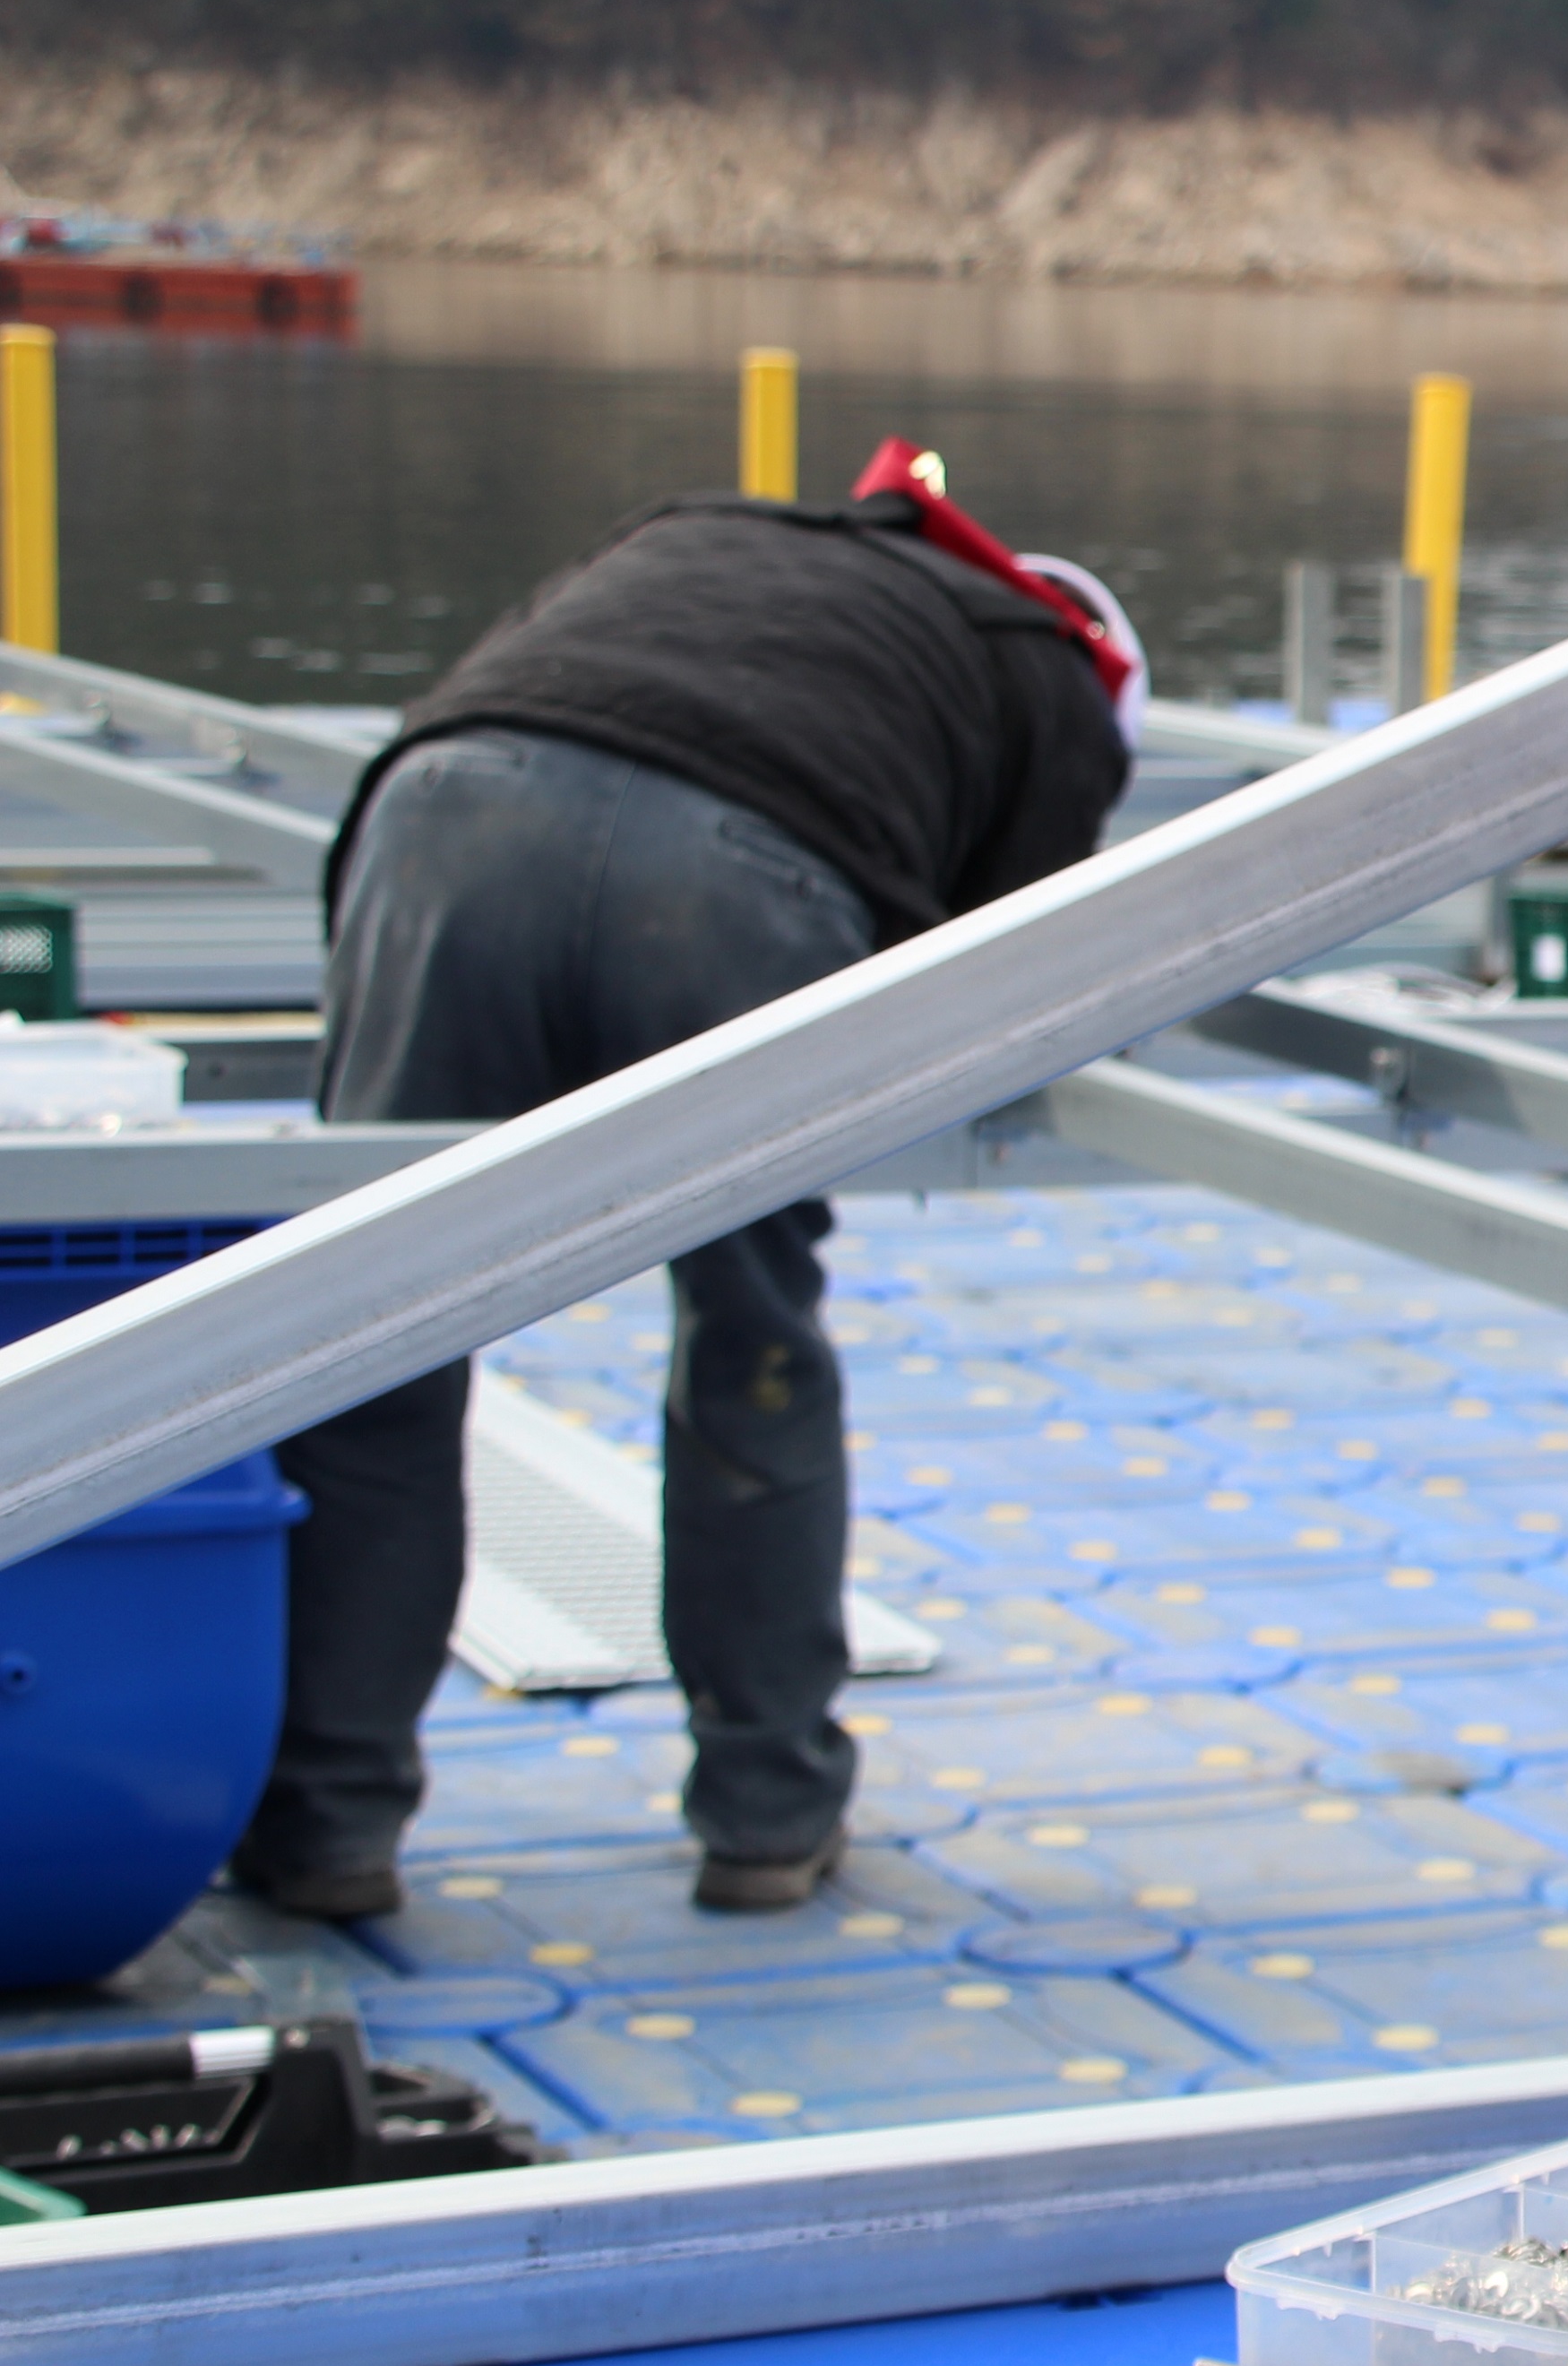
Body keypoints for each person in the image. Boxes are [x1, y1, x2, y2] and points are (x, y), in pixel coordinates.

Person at [228, 443, 1141, 1921]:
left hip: (454, 815)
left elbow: (534, 682)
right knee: (750, 1331)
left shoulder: (703, 526)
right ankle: (766, 1817)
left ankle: (324, 1830)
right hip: (742, 881)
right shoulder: (1049, 678)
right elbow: (1003, 994)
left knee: (373, 1336)